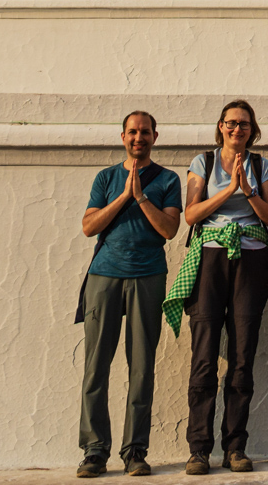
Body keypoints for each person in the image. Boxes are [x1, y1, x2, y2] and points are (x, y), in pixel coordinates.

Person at [167, 100, 268, 475]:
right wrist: (227, 188)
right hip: (210, 259)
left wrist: (247, 190)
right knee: (203, 356)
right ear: (220, 126)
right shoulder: (204, 162)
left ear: (253, 129)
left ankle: (235, 447)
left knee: (242, 355)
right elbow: (192, 214)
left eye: (244, 124)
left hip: (250, 258)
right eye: (231, 123)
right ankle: (199, 448)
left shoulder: (262, 165)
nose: (237, 129)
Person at [78, 110, 184, 479]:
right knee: (96, 366)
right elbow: (89, 226)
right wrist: (123, 195)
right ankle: (94, 450)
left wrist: (140, 198)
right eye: (133, 132)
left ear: (156, 136)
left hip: (148, 276)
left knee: (141, 368)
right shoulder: (105, 178)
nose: (139, 138)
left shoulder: (168, 179)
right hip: (104, 275)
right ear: (122, 136)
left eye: (145, 132)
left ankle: (135, 450)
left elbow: (170, 230)